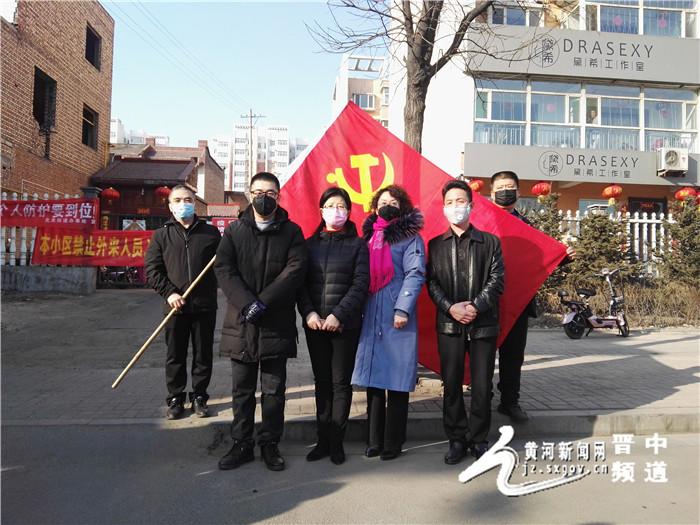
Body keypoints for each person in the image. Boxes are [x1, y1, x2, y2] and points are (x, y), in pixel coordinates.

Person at [214, 172, 307, 472]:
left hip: (275, 324)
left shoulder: (292, 232)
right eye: (258, 191)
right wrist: (247, 303)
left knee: (273, 391)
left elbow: (295, 270)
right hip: (241, 324)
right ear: (249, 194)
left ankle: (270, 444)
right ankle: (241, 444)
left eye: (270, 192)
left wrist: (263, 302)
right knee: (241, 392)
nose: (263, 197)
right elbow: (224, 269)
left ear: (279, 196)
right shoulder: (235, 231)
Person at [427, 180, 505, 463]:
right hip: (449, 324)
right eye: (450, 202)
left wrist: (474, 306)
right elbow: (432, 283)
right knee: (451, 384)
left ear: (471, 205)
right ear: (444, 208)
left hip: (483, 324)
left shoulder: (490, 242)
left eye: (460, 201)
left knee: (483, 386)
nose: (455, 207)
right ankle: (456, 439)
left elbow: (497, 282)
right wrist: (451, 309)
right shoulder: (435, 245)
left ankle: (479, 439)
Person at [490, 171, 575, 423]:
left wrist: (562, 257)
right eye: (501, 187)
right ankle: (481, 397)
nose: (506, 191)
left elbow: (540, 260)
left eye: (510, 187)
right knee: (481, 354)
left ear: (518, 192)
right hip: (486, 301)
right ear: (491, 193)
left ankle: (509, 401)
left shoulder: (527, 227)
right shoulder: (481, 221)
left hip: (518, 301)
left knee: (513, 355)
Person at [351, 185, 426, 461]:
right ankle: (373, 440)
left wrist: (402, 308)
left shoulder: (410, 239)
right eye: (383, 201)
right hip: (369, 314)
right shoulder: (368, 237)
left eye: (393, 201)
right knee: (373, 381)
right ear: (374, 206)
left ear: (402, 207)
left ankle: (393, 442)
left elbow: (415, 273)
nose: (388, 205)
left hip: (397, 317)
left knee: (396, 381)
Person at [297, 187, 369, 465]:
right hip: (315, 325)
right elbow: (301, 285)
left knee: (340, 384)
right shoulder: (308, 244)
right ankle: (322, 439)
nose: (335, 211)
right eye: (330, 206)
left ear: (349, 212)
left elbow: (360, 283)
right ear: (321, 211)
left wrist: (338, 315)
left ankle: (337, 441)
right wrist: (309, 313)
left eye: (341, 206)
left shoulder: (358, 245)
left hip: (344, 326)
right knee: (322, 383)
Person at [145, 184, 221, 420]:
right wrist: (170, 293)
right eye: (177, 200)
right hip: (174, 308)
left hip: (204, 306)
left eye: (187, 199)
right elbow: (152, 270)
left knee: (202, 355)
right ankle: (175, 398)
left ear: (194, 203)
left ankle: (199, 396)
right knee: (175, 355)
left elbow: (223, 266)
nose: (182, 204)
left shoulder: (210, 234)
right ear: (170, 205)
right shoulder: (161, 235)